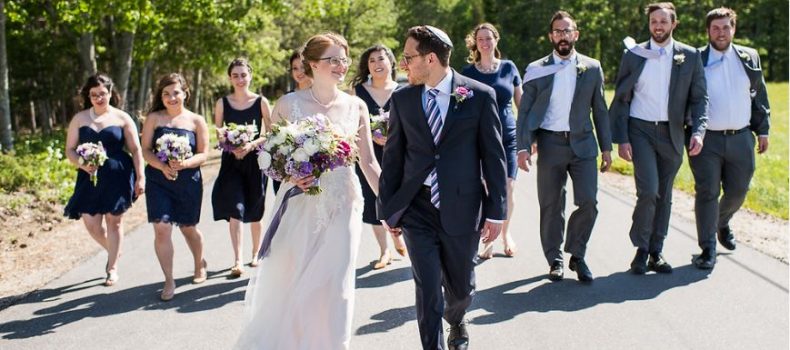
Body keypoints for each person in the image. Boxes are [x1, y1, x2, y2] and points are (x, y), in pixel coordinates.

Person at [235, 32, 381, 349]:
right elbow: (268, 157)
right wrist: (291, 174)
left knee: (337, 284)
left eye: (344, 59)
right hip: (301, 204)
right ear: (312, 64)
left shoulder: (356, 105)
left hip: (344, 203)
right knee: (297, 280)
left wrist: (393, 202)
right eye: (333, 60)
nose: (341, 66)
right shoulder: (288, 105)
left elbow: (368, 161)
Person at [378, 25, 507, 350]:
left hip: (463, 207)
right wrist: (388, 210)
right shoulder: (403, 99)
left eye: (408, 57)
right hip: (417, 208)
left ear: (430, 58)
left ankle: (457, 318)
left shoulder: (479, 95)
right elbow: (393, 157)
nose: (404, 65)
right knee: (427, 288)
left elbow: (494, 157)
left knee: (461, 288)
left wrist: (496, 212)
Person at [609, 2, 708, 275]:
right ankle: (641, 248)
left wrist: (698, 131)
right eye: (654, 21)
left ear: (674, 24)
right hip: (640, 130)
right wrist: (622, 138)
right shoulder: (635, 54)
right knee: (649, 191)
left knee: (664, 195)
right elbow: (621, 97)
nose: (658, 26)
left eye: (664, 21)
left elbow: (700, 98)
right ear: (649, 24)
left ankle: (656, 251)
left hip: (673, 133)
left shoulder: (689, 56)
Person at [517, 11, 612, 283]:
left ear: (576, 34)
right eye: (557, 31)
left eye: (567, 30)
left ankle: (577, 254)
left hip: (583, 144)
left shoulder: (591, 68)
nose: (562, 35)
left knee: (589, 202)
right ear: (551, 36)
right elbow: (524, 112)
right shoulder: (537, 69)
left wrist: (607, 148)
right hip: (550, 143)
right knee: (550, 205)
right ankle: (554, 259)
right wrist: (523, 146)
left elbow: (600, 111)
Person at [690, 7, 770, 269]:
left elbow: (759, 95)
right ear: (708, 31)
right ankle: (707, 249)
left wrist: (763, 130)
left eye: (726, 27)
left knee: (738, 191)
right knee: (707, 192)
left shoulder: (749, 57)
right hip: (706, 141)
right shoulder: (696, 59)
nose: (721, 33)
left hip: (741, 137)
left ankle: (721, 222)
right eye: (715, 28)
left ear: (734, 29)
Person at [64, 73, 145, 287]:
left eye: (103, 94)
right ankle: (114, 249)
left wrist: (141, 177)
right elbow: (70, 150)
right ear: (88, 96)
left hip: (118, 174)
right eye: (94, 95)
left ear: (111, 93)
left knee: (114, 221)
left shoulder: (122, 118)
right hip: (89, 176)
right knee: (91, 224)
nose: (99, 98)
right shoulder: (80, 119)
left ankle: (112, 268)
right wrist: (82, 164)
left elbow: (136, 150)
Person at [140, 73, 210, 301]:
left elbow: (204, 153)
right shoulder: (154, 118)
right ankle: (169, 279)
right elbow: (145, 150)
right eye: (166, 94)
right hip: (159, 180)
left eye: (176, 93)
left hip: (188, 181)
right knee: (162, 227)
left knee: (188, 228)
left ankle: (199, 263)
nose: (171, 98)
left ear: (185, 93)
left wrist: (184, 164)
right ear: (161, 97)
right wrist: (162, 166)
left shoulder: (196, 121)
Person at [461, 23, 522, 259]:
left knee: (508, 187)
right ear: (475, 44)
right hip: (481, 139)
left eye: (489, 38)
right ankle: (487, 239)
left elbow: (521, 104)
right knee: (486, 187)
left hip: (508, 136)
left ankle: (505, 233)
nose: (485, 43)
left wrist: (528, 137)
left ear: (496, 40)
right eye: (480, 39)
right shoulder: (467, 73)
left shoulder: (509, 68)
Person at [211, 58, 273, 277]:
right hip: (231, 162)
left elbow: (270, 132)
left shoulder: (261, 102)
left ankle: (256, 253)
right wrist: (230, 143)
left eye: (243, 75)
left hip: (255, 161)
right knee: (235, 209)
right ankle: (237, 259)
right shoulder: (222, 103)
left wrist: (251, 144)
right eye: (235, 75)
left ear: (250, 76)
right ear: (230, 78)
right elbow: (218, 131)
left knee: (255, 211)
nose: (239, 79)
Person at [349, 44, 408, 270]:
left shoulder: (403, 89)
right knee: (374, 201)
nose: (376, 64)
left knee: (399, 197)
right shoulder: (359, 91)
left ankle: (399, 235)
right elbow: (351, 123)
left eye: (381, 59)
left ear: (390, 63)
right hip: (368, 154)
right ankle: (384, 251)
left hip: (398, 154)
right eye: (371, 60)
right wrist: (370, 136)